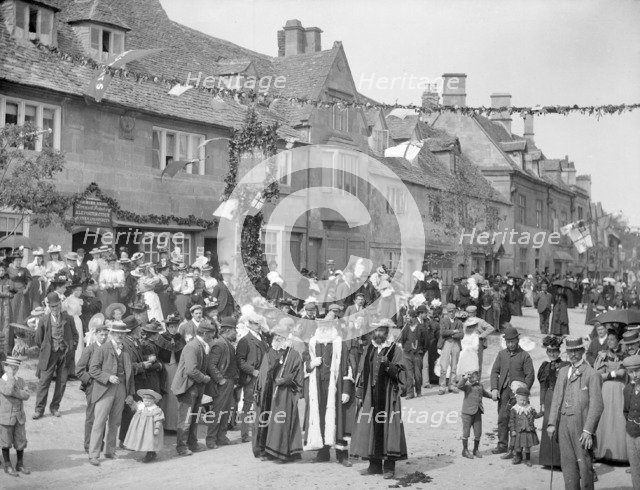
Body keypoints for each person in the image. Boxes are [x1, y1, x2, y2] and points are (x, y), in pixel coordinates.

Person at [351, 319, 407, 479]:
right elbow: (361, 371)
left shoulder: (395, 349)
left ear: (387, 331)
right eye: (375, 330)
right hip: (370, 394)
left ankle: (389, 467)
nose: (377, 333)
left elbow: (402, 374)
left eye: (381, 330)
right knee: (370, 428)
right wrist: (360, 392)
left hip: (388, 395)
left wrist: (389, 366)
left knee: (389, 428)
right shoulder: (369, 348)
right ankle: (374, 465)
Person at [547, 338, 604, 490]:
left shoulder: (592, 374)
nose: (573, 354)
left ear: (582, 351)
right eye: (570, 351)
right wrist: (552, 423)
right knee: (567, 464)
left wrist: (588, 430)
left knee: (584, 466)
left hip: (581, 425)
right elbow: (556, 398)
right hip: (563, 423)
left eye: (576, 351)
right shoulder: (563, 372)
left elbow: (597, 405)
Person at [303, 320, 352, 467]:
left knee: (338, 419)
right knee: (321, 417)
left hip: (336, 386)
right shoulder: (312, 343)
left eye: (326, 326)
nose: (323, 329)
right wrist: (311, 364)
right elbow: (305, 363)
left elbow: (348, 366)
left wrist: (346, 390)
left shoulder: (339, 343)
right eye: (321, 326)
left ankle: (342, 455)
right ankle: (323, 453)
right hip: (318, 387)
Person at [87, 321, 136, 466]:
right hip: (105, 389)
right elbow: (93, 369)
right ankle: (94, 454)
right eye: (117, 333)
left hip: (121, 388)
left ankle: (110, 450)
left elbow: (130, 374)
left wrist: (130, 393)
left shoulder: (126, 350)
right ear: (112, 334)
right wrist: (108, 377)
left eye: (123, 334)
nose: (120, 336)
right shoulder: (103, 349)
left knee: (115, 421)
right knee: (99, 421)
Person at [260, 318, 304, 463]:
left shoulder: (293, 354)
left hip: (285, 393)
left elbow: (298, 373)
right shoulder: (271, 352)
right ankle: (270, 451)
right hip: (271, 392)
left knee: (282, 422)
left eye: (281, 336)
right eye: (276, 335)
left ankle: (283, 453)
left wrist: (285, 380)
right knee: (271, 422)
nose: (278, 338)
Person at [489, 324, 535, 456]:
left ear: (518, 341)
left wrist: (523, 394)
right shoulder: (501, 354)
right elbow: (494, 372)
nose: (510, 345)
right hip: (504, 392)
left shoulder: (525, 356)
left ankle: (515, 448)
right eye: (508, 342)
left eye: (513, 341)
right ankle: (502, 444)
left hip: (518, 394)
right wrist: (494, 388)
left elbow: (530, 375)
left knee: (517, 420)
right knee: (502, 417)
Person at [171, 320, 214, 456]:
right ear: (205, 333)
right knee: (186, 418)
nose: (212, 337)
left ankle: (192, 443)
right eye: (211, 334)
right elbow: (191, 370)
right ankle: (182, 447)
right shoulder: (193, 346)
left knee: (194, 417)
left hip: (195, 386)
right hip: (187, 387)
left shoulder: (200, 345)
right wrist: (205, 378)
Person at [33, 291, 78, 419]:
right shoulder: (44, 320)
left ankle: (55, 407)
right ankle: (39, 409)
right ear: (48, 306)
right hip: (49, 355)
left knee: (62, 382)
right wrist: (47, 348)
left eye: (57, 305)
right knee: (44, 382)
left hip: (65, 354)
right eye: (52, 306)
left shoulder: (68, 318)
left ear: (60, 304)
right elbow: (38, 339)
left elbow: (75, 335)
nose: (55, 308)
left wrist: (72, 347)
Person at [593, 328, 628, 462]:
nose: (609, 341)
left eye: (612, 339)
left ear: (618, 341)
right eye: (608, 339)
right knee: (605, 419)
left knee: (619, 418)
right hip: (606, 389)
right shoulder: (603, 355)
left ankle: (620, 454)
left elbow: (625, 374)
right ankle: (603, 452)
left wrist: (619, 373)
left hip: (620, 390)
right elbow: (597, 375)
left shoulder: (624, 355)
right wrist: (613, 374)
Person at [204, 316, 239, 449]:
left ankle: (221, 437)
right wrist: (221, 380)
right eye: (234, 330)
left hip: (229, 381)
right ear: (228, 330)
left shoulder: (226, 343)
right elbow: (211, 365)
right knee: (218, 411)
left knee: (226, 410)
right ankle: (211, 439)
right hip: (223, 382)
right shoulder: (219, 344)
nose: (236, 333)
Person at [76, 316, 108, 454]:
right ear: (95, 335)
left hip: (106, 387)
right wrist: (89, 382)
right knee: (91, 416)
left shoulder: (108, 349)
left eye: (106, 335)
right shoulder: (89, 349)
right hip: (93, 386)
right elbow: (79, 370)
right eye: (101, 335)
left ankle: (99, 442)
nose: (104, 337)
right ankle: (88, 444)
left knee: (103, 416)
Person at [537, 336, 570, 468]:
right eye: (550, 352)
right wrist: (542, 403)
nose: (552, 354)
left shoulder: (565, 365)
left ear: (559, 351)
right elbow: (543, 386)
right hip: (549, 398)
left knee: (560, 425)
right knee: (548, 424)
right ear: (547, 353)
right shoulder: (545, 366)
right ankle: (548, 460)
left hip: (561, 398)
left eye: (555, 351)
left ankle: (560, 460)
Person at [236, 313, 268, 443]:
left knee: (261, 404)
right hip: (251, 378)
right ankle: (244, 434)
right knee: (248, 405)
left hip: (263, 376)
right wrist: (252, 371)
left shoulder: (262, 338)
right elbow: (240, 360)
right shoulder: (244, 340)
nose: (258, 325)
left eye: (259, 323)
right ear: (249, 324)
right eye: (255, 323)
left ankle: (259, 431)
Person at [0, 356, 31, 477]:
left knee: (20, 441)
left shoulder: (21, 380)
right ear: (5, 367)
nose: (14, 370)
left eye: (16, 367)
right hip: (5, 418)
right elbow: (7, 390)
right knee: (5, 442)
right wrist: (11, 378)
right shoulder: (2, 381)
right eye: (11, 367)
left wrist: (16, 392)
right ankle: (7, 465)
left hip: (19, 417)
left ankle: (20, 464)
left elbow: (27, 395)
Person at [154, 312, 184, 432]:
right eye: (171, 326)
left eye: (175, 326)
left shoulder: (180, 338)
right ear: (167, 327)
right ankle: (163, 425)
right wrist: (160, 365)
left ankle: (174, 425)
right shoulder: (161, 338)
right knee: (166, 397)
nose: (173, 328)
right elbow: (157, 354)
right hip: (165, 369)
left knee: (176, 397)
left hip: (177, 368)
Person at [123, 389, 165, 463]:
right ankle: (149, 452)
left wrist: (157, 428)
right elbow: (133, 406)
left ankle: (150, 453)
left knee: (150, 440)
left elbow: (158, 419)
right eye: (145, 401)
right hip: (140, 427)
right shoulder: (141, 406)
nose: (147, 403)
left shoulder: (156, 410)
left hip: (150, 428)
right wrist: (130, 402)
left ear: (154, 401)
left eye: (149, 401)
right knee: (141, 439)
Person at [457, 370, 492, 459]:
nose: (475, 378)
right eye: (472, 376)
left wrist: (493, 396)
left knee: (478, 432)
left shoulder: (480, 385)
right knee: (466, 432)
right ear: (469, 378)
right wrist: (464, 378)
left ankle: (475, 449)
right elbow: (459, 386)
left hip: (477, 412)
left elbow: (485, 393)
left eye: (476, 376)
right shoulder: (467, 386)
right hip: (467, 413)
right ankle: (465, 450)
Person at [508, 386, 540, 466]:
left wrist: (542, 413)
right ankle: (519, 457)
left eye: (525, 400)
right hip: (518, 431)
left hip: (528, 430)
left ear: (528, 399)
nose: (523, 402)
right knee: (518, 446)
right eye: (521, 400)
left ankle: (527, 459)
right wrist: (513, 430)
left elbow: (535, 416)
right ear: (517, 399)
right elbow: (511, 421)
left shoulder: (530, 408)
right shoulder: (514, 409)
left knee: (527, 446)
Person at [398, 314, 428, 399]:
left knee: (417, 375)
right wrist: (405, 349)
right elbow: (403, 340)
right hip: (407, 353)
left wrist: (422, 351)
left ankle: (418, 391)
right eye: (407, 317)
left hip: (417, 354)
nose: (408, 318)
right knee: (409, 374)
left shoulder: (421, 328)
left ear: (414, 318)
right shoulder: (405, 328)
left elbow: (426, 341)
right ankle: (410, 393)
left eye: (409, 317)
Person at [622, 354, 640, 489]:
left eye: (637, 370)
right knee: (635, 468)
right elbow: (626, 411)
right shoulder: (627, 389)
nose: (635, 375)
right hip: (631, 433)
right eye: (631, 372)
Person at [438, 303, 463, 395]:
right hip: (446, 343)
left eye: (453, 311)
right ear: (447, 312)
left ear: (456, 311)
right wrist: (454, 331)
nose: (451, 313)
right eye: (449, 311)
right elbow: (443, 333)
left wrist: (452, 334)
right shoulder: (443, 320)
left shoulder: (459, 322)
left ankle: (452, 385)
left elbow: (461, 335)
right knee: (443, 366)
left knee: (454, 366)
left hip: (456, 343)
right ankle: (442, 386)